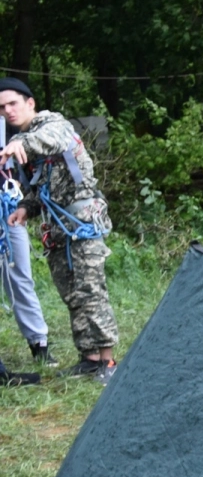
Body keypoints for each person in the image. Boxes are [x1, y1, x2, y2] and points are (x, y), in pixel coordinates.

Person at [0, 79, 116, 379]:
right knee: (72, 294)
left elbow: (53, 138)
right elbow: (39, 187)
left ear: (30, 103)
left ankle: (107, 362)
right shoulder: (25, 142)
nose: (8, 111)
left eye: (13, 103)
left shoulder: (52, 124)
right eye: (1, 108)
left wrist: (19, 144)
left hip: (83, 224)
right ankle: (89, 358)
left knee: (91, 292)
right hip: (58, 231)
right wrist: (25, 208)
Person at [0, 117, 52, 369]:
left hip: (7, 207)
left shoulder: (7, 121)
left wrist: (20, 181)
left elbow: (27, 160)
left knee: (20, 276)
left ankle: (39, 344)